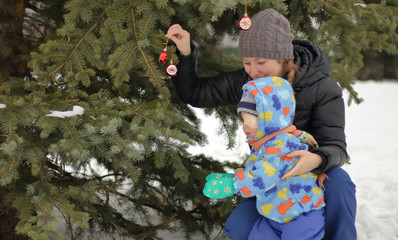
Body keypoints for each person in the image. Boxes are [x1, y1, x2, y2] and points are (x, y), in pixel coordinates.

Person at [166, 8, 357, 240]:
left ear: (284, 58)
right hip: (270, 174)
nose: (253, 71)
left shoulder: (322, 87)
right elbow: (195, 93)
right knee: (239, 227)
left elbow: (336, 147)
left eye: (261, 62)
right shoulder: (248, 82)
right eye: (247, 62)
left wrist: (316, 160)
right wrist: (185, 53)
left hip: (313, 174)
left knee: (340, 183)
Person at [203, 76, 326, 239]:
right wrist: (232, 177)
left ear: (270, 120)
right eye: (244, 118)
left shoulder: (283, 144)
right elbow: (257, 170)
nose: (245, 125)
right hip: (274, 214)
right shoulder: (263, 144)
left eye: (252, 119)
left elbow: (265, 176)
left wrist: (234, 184)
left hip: (301, 214)